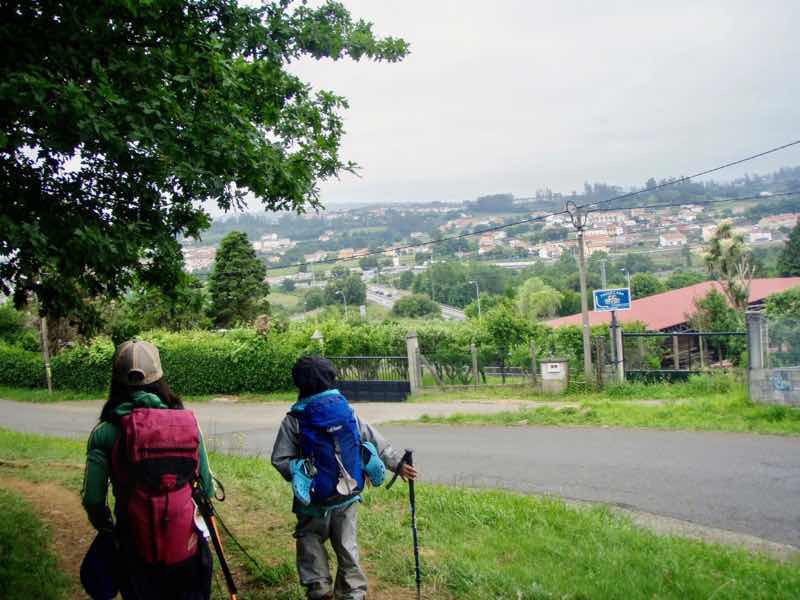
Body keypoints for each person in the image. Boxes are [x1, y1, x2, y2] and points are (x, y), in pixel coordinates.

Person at [271, 356, 418, 600]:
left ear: (299, 383)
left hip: (312, 501)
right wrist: (398, 464)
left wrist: (301, 473)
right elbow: (374, 440)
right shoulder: (346, 411)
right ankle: (353, 593)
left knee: (310, 540)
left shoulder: (294, 420)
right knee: (347, 545)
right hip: (348, 496)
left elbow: (280, 459)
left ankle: (319, 589)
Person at [81, 339, 215, 600]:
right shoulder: (187, 425)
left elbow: (93, 499)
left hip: (134, 549)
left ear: (116, 381)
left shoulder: (105, 432)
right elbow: (207, 488)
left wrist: (107, 528)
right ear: (160, 378)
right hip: (184, 548)